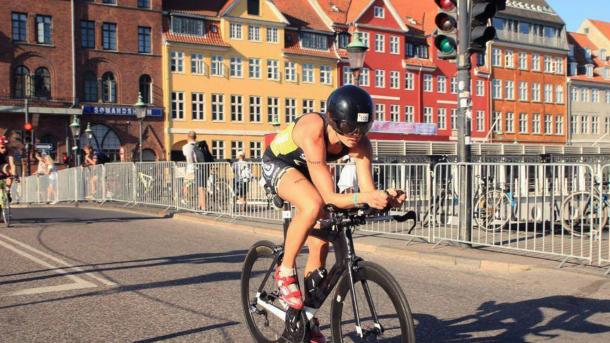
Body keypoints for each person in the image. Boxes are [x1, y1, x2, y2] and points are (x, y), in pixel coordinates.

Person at [261, 85, 405, 342]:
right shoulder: (314, 130)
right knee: (313, 204)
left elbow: (366, 192)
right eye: (350, 129)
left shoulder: (360, 143)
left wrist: (385, 199)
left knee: (322, 240)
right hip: (280, 164)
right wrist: (364, 197)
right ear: (334, 121)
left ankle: (307, 318)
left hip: (312, 171)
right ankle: (284, 271)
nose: (355, 135)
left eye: (362, 129)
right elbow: (328, 197)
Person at [0, 136, 16, 202]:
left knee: (9, 170)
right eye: (2, 147)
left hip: (3, 166)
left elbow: (12, 164)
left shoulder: (9, 151)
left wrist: (14, 174)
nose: (4, 149)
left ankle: (7, 191)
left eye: (5, 146)